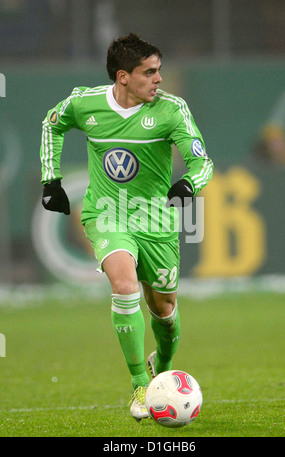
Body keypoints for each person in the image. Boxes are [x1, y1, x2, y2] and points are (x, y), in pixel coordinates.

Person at [40, 33, 213, 422]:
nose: (159, 79)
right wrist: (50, 180)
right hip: (107, 213)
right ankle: (139, 386)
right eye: (149, 72)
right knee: (124, 285)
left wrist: (189, 185)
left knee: (164, 310)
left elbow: (203, 162)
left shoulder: (172, 111)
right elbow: (52, 125)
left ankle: (162, 365)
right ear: (123, 76)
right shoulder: (84, 103)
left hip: (156, 220)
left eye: (159, 70)